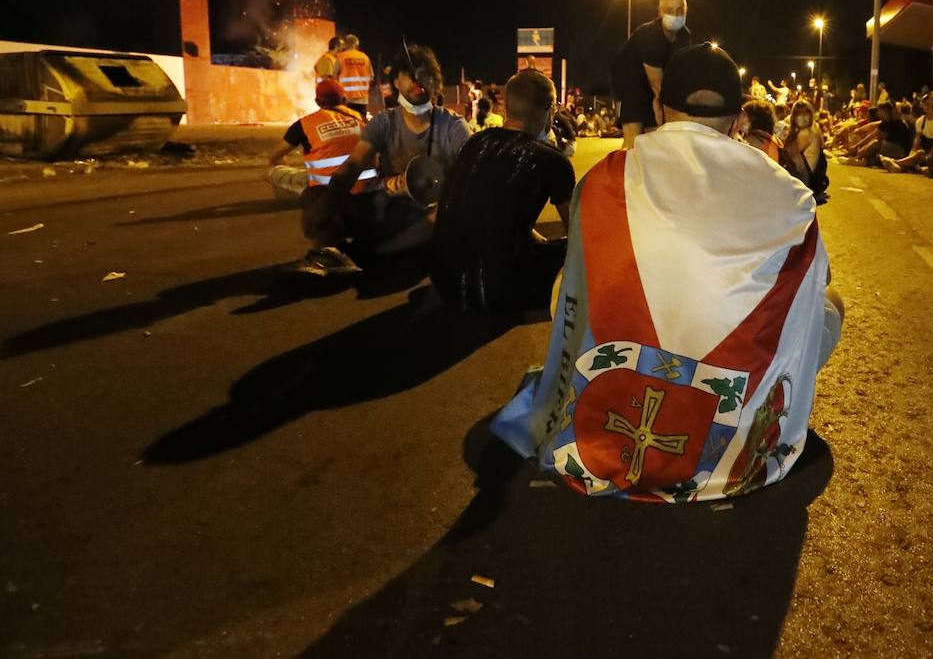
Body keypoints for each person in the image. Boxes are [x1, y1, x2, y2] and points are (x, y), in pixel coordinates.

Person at [489, 43, 843, 502]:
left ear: (658, 107)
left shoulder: (603, 179)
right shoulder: (790, 195)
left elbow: (576, 288)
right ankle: (751, 418)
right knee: (829, 305)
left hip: (618, 368)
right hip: (729, 392)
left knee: (569, 283)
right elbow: (821, 279)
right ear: (738, 121)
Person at [294, 43, 471, 276]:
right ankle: (330, 252)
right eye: (411, 76)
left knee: (443, 217)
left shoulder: (453, 126)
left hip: (421, 216)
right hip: (382, 207)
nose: (418, 82)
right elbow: (352, 166)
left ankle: (364, 255)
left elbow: (472, 177)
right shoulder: (384, 122)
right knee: (316, 195)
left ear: (435, 84)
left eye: (426, 76)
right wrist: (325, 204)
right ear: (396, 82)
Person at [432, 69, 575, 319]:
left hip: (447, 284)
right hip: (500, 292)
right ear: (551, 110)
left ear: (505, 107)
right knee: (579, 252)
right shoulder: (552, 160)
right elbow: (577, 233)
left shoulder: (474, 144)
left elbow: (492, 209)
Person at [266, 78, 377, 202]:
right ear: (344, 99)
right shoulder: (362, 119)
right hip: (365, 190)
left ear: (317, 102)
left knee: (274, 171)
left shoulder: (304, 124)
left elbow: (274, 156)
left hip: (325, 194)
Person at [610, 0, 691, 147]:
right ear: (660, 11)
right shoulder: (649, 35)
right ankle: (625, 167)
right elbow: (657, 84)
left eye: (679, 10)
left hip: (655, 86)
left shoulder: (684, 36)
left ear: (686, 10)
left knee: (655, 140)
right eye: (669, 10)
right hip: (630, 84)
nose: (675, 15)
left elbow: (678, 73)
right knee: (633, 142)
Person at [781, 100, 828, 203]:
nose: (802, 117)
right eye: (799, 114)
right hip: (811, 178)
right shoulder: (814, 127)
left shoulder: (805, 133)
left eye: (805, 114)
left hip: (804, 180)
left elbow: (787, 154)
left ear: (811, 115)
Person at [336, 34, 375, 117]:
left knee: (348, 125)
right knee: (361, 124)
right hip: (362, 99)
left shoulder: (340, 57)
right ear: (356, 44)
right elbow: (371, 78)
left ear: (345, 44)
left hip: (346, 99)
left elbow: (333, 77)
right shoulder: (365, 57)